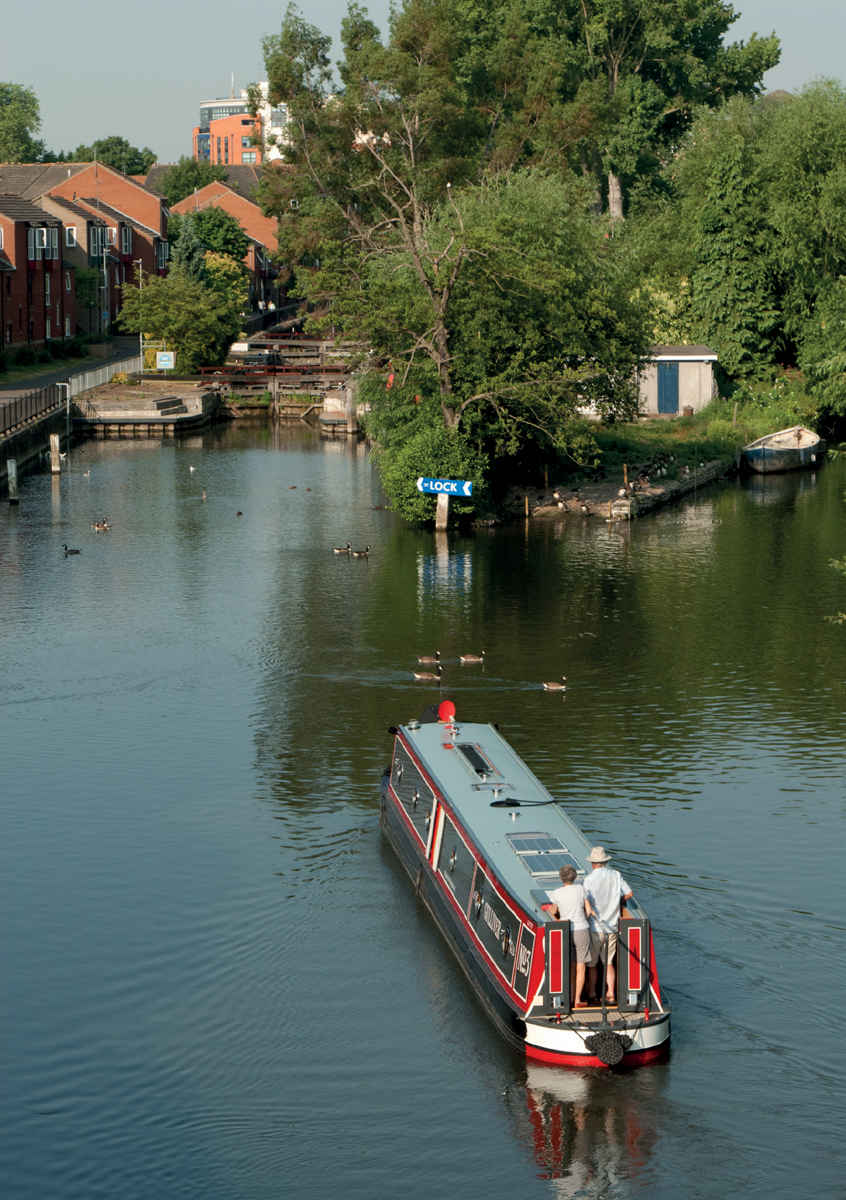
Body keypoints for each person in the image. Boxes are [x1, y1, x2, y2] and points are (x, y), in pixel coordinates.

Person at [584, 847, 632, 1004]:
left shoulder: (589, 880)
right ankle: (611, 994)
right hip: (612, 926)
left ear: (593, 863)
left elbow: (586, 902)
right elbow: (629, 893)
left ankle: (591, 994)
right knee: (608, 963)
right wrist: (618, 903)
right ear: (605, 862)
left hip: (595, 928)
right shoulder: (616, 875)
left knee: (592, 964)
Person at [548, 865, 597, 1008]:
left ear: (561, 877)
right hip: (582, 929)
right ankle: (577, 999)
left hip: (566, 930)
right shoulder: (581, 889)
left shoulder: (556, 893)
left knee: (570, 965)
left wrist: (557, 918)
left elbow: (553, 911)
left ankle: (569, 997)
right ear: (575, 877)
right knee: (581, 966)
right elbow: (588, 911)